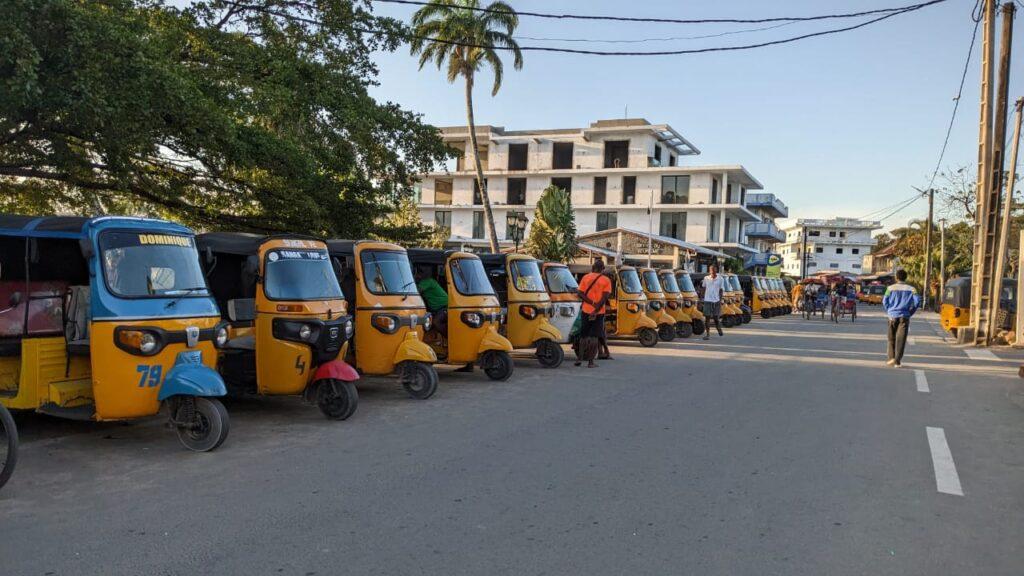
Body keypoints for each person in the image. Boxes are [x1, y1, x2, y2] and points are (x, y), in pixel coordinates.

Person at [575, 258, 613, 368]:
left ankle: (579, 359)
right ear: (603, 269)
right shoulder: (606, 280)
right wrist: (596, 309)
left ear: (592, 268)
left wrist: (591, 303)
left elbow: (580, 294)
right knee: (594, 337)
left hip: (586, 310)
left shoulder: (585, 278)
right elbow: (605, 297)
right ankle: (591, 362)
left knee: (583, 336)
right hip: (599, 313)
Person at [882, 269, 921, 368]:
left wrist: (889, 310)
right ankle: (897, 361)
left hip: (892, 316)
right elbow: (917, 302)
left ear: (896, 277)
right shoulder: (912, 289)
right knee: (901, 339)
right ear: (906, 277)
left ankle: (891, 358)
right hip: (904, 316)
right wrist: (910, 312)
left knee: (891, 338)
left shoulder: (889, 288)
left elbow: (884, 301)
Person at [414, 266, 448, 335]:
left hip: (444, 307)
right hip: (437, 309)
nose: (418, 276)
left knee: (436, 322)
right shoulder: (427, 281)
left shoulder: (427, 281)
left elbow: (415, 292)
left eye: (419, 274)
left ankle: (449, 338)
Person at [700, 264, 726, 340]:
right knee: (707, 318)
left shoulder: (720, 279)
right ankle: (707, 334)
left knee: (716, 318)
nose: (712, 271)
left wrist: (720, 300)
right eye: (711, 270)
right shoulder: (706, 278)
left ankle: (719, 329)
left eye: (714, 270)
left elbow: (721, 290)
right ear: (709, 271)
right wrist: (702, 298)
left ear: (716, 270)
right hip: (707, 300)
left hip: (716, 301)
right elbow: (703, 288)